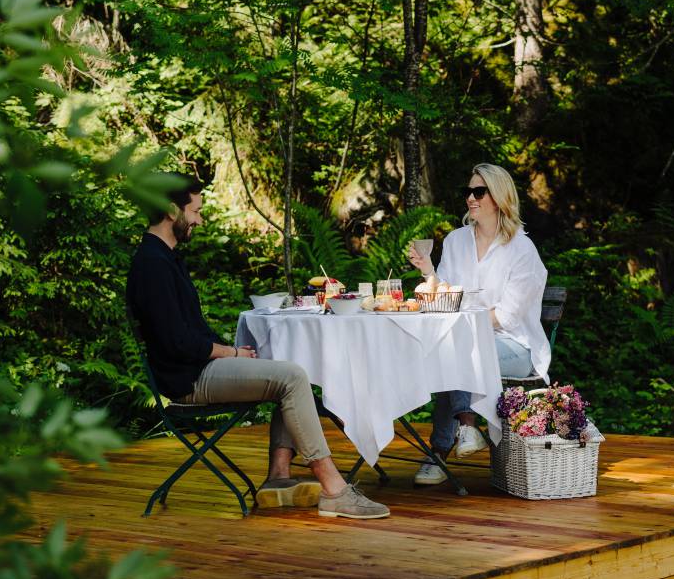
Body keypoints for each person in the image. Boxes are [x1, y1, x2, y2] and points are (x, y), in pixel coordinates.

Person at [126, 175, 389, 519]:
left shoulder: (167, 258)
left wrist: (232, 353)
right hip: (187, 379)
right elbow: (178, 342)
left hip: (196, 368)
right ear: (171, 210)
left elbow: (187, 333)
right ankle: (334, 488)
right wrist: (231, 353)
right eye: (196, 211)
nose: (199, 220)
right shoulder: (152, 264)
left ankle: (279, 478)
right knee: (291, 377)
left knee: (288, 367)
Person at [406, 163, 549, 486]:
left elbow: (507, 318)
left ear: (498, 198)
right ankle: (465, 430)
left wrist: (463, 326)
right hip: (464, 341)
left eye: (479, 192)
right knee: (452, 347)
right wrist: (428, 271)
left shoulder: (522, 250)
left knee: (456, 346)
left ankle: (448, 443)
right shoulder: (457, 241)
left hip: (514, 345)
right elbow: (445, 293)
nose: (471, 198)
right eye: (468, 192)